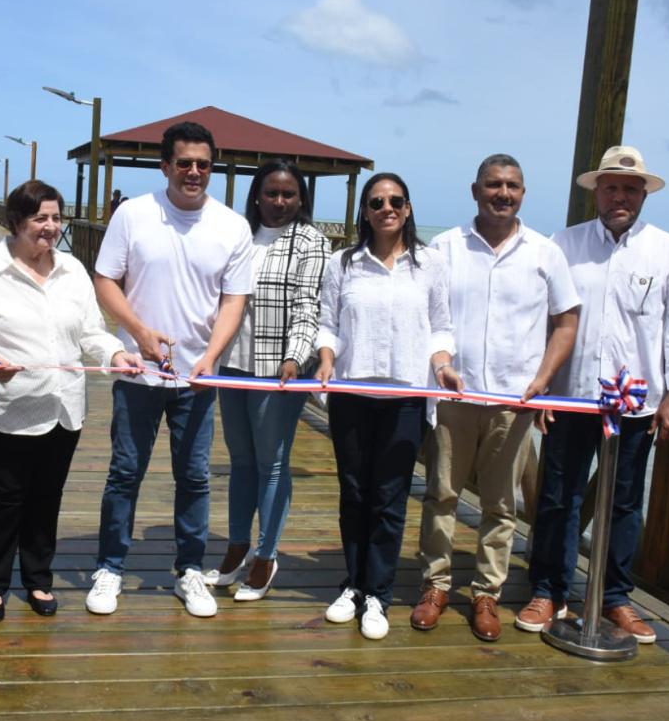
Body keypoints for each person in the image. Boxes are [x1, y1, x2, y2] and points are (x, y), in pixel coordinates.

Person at [516, 146, 669, 644]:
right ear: (596, 192)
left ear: (644, 194)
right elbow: (545, 320)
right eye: (611, 186)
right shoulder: (564, 244)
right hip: (572, 398)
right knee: (558, 498)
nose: (620, 195)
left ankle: (616, 598)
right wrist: (543, 388)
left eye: (630, 188)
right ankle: (549, 590)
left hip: (635, 405)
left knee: (623, 503)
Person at [0, 180, 143, 622]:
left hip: (63, 405)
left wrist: (116, 353)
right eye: (40, 219)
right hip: (2, 404)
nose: (50, 227)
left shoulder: (71, 270)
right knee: (5, 495)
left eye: (56, 217)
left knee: (47, 496)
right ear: (15, 222)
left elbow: (90, 331)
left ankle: (38, 580)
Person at [411, 154, 580, 642]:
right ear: (475, 190)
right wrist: (438, 366)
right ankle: (436, 584)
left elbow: (567, 320)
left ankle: (487, 592)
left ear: (523, 193)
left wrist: (544, 378)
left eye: (512, 186)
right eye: (493, 185)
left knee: (500, 504)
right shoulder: (444, 248)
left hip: (514, 399)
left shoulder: (545, 252)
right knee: (441, 493)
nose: (502, 193)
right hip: (453, 397)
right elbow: (426, 316)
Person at [88, 121, 253, 618]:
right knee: (125, 472)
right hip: (138, 372)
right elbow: (105, 280)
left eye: (204, 164)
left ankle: (189, 570)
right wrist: (138, 332)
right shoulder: (134, 214)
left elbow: (234, 300)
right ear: (166, 166)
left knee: (195, 477)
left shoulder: (232, 226)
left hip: (197, 378)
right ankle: (110, 567)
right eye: (184, 163)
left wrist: (211, 356)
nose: (194, 172)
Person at [316, 172, 461, 641]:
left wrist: (442, 367)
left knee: (390, 499)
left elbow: (441, 327)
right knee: (355, 492)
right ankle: (353, 585)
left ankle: (379, 592)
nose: (387, 208)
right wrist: (324, 360)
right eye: (376, 201)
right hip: (352, 394)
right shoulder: (343, 263)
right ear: (364, 211)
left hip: (407, 398)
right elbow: (328, 323)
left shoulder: (431, 264)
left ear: (409, 207)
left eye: (396, 200)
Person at [203, 159, 327, 601]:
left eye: (288, 194)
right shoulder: (239, 233)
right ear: (256, 194)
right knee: (240, 460)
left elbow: (309, 306)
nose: (278, 202)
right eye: (271, 193)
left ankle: (266, 554)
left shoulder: (311, 241)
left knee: (272, 462)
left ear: (301, 199)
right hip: (232, 364)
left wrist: (295, 357)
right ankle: (237, 545)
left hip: (278, 368)